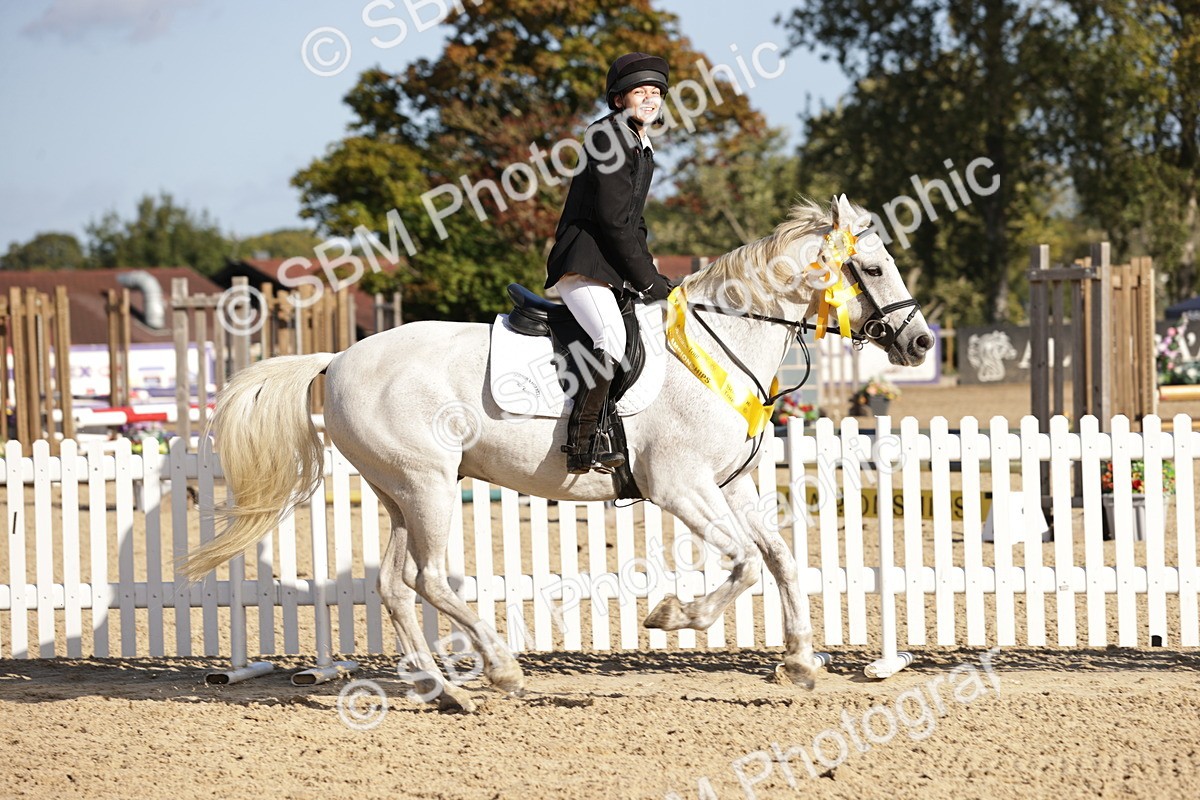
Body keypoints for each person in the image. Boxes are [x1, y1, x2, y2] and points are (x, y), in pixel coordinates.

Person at [545, 52, 674, 475]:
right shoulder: (607, 138)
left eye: (656, 92)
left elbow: (634, 224)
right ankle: (582, 444)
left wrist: (653, 277)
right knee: (611, 338)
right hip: (583, 265)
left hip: (610, 271)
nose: (651, 99)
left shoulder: (640, 144)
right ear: (619, 99)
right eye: (641, 91)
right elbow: (614, 222)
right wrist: (649, 282)